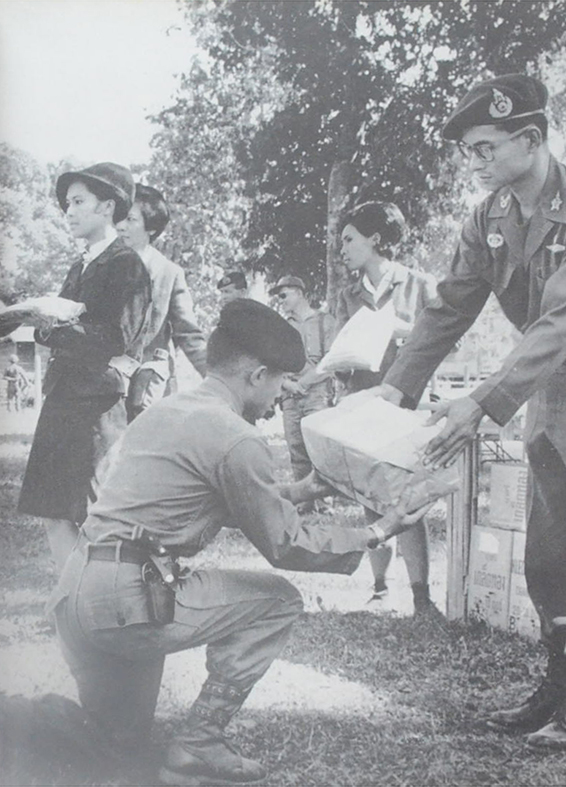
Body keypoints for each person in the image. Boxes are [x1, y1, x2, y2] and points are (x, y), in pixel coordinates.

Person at [373, 74, 566, 751]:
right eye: (470, 150)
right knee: (547, 552)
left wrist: (483, 401)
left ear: (531, 138)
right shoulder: (490, 215)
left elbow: (562, 320)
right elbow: (449, 305)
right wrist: (395, 386)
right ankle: (555, 685)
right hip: (544, 385)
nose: (477, 161)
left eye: (487, 146)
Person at [47, 299, 427, 786]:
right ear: (255, 374)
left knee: (117, 756)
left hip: (77, 597)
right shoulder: (236, 437)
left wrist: (302, 490)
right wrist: (376, 531)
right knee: (277, 603)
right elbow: (286, 543)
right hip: (128, 602)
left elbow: (208, 497)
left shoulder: (168, 410)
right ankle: (201, 737)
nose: (281, 398)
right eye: (280, 383)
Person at [17, 163, 151, 572]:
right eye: (66, 204)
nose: (69, 212)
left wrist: (54, 329)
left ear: (108, 206)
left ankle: (103, 607)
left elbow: (116, 338)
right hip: (63, 398)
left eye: (79, 202)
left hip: (96, 407)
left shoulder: (125, 264)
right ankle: (73, 607)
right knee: (54, 512)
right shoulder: (81, 266)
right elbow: (53, 328)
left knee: (96, 517)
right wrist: (44, 325)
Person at [336, 200, 438, 615]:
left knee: (410, 500)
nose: (341, 248)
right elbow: (342, 351)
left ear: (375, 239)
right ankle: (380, 591)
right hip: (364, 402)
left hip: (409, 406)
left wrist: (402, 331)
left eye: (348, 239)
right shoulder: (347, 294)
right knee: (372, 499)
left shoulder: (419, 285)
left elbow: (447, 339)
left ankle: (422, 598)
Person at [117, 184, 207, 420]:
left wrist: (220, 380)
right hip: (105, 387)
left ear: (152, 228)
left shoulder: (169, 273)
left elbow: (189, 335)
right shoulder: (102, 266)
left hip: (147, 390)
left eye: (130, 219)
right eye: (118, 218)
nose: (120, 226)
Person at [271, 275, 336, 487]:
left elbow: (332, 360)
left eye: (284, 295)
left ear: (299, 293)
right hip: (290, 395)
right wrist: (288, 385)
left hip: (317, 393)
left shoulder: (325, 321)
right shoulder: (281, 326)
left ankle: (324, 500)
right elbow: (272, 362)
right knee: (296, 448)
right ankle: (304, 499)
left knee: (318, 447)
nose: (281, 300)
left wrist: (305, 383)